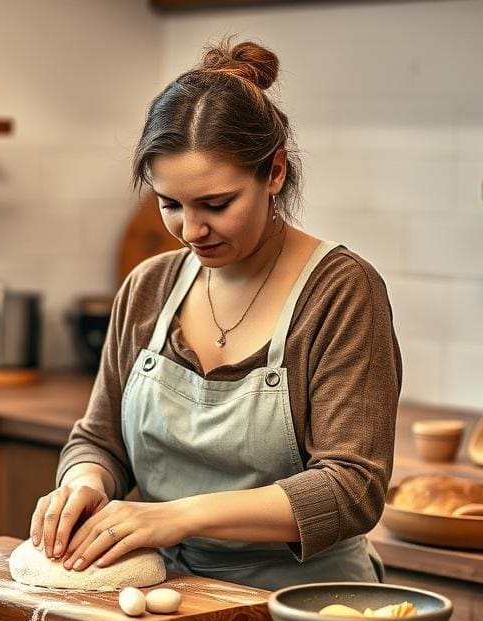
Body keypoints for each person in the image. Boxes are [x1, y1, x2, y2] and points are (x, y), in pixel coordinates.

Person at [30, 38, 402, 592]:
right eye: (170, 204)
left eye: (217, 204)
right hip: (168, 593)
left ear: (274, 172)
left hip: (309, 605)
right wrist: (84, 481)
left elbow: (352, 488)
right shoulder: (149, 287)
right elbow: (100, 439)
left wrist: (178, 516)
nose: (191, 230)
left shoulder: (341, 292)